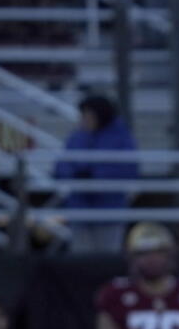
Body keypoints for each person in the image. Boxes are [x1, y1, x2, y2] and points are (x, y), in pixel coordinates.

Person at [54, 95, 138, 254]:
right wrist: (75, 175)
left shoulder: (121, 138)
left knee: (108, 256)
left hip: (108, 209)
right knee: (81, 257)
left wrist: (94, 175)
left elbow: (127, 169)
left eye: (88, 115)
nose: (84, 119)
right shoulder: (77, 136)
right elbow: (61, 166)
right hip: (80, 209)